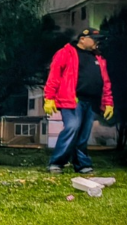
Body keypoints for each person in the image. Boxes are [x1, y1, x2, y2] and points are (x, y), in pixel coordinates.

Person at [44, 28, 113, 174]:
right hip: (72, 100)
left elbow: (105, 82)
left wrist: (108, 103)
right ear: (82, 39)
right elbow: (54, 75)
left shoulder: (98, 58)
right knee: (72, 127)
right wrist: (49, 98)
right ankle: (56, 163)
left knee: (83, 134)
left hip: (92, 101)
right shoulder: (66, 53)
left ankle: (82, 165)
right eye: (95, 39)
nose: (97, 43)